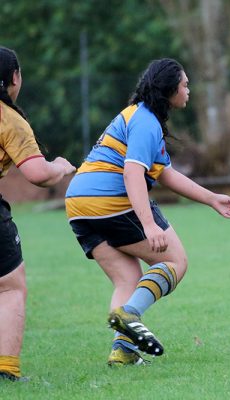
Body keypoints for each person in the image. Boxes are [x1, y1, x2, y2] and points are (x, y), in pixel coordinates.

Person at [65, 58, 230, 366]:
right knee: (175, 261)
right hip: (110, 201)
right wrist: (148, 225)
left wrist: (211, 198)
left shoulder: (139, 117)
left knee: (128, 280)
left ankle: (123, 352)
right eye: (185, 85)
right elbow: (133, 173)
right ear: (171, 89)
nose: (189, 90)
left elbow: (165, 173)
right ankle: (129, 314)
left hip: (78, 204)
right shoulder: (146, 123)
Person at [0, 46, 76, 381]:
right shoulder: (9, 118)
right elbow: (37, 174)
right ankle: (6, 370)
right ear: (14, 78)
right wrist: (58, 166)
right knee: (10, 287)